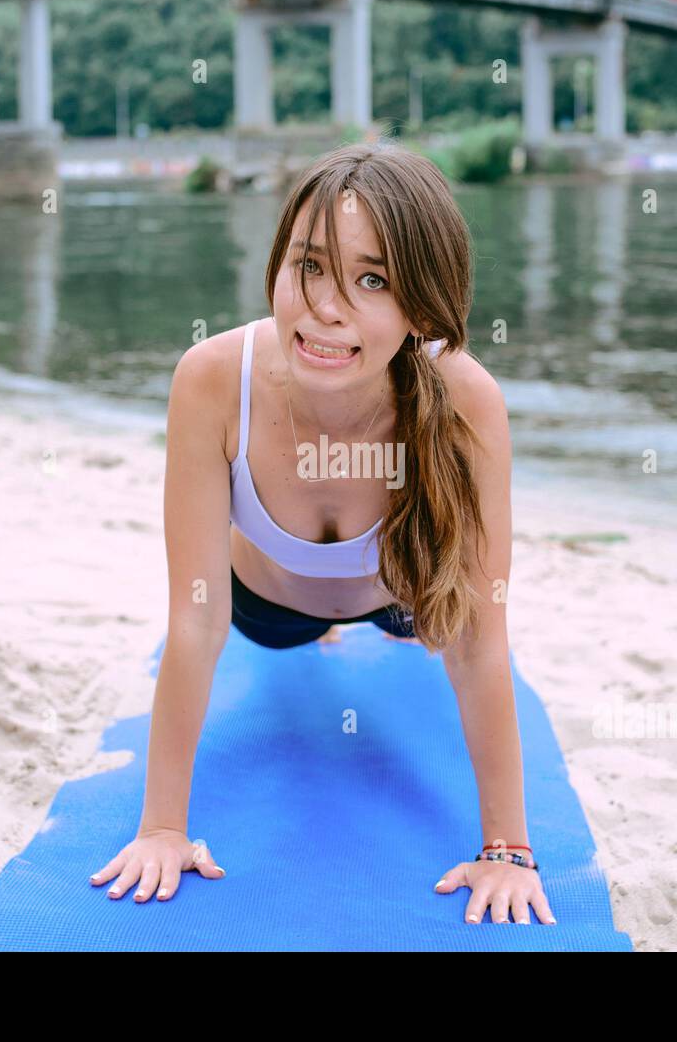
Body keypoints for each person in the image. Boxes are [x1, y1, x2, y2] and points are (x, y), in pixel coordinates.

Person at [89, 140, 555, 926]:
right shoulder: (212, 379)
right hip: (265, 611)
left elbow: (476, 637)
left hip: (406, 599)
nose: (325, 308)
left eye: (371, 280)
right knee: (269, 632)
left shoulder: (467, 399)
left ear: (422, 308)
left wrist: (507, 847)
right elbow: (198, 619)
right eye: (308, 265)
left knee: (433, 626)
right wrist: (164, 827)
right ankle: (323, 636)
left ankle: (365, 629)